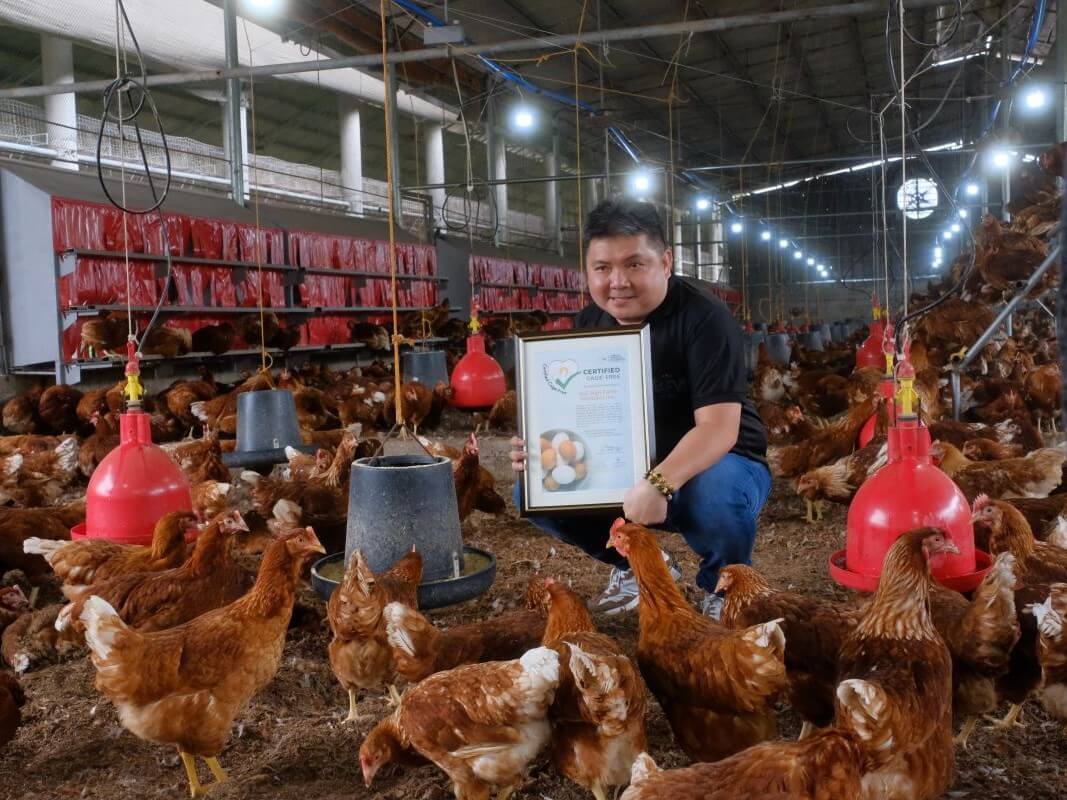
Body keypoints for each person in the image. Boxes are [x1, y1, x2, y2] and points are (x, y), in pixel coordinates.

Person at [510, 198, 770, 619]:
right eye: (602, 268)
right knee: (535, 488)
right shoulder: (589, 325)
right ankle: (639, 568)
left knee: (716, 495)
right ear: (588, 270)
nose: (617, 281)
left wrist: (660, 482)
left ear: (666, 262)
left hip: (720, 461)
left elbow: (719, 429)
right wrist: (540, 445)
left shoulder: (704, 318)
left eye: (634, 264)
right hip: (625, 462)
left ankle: (722, 588)